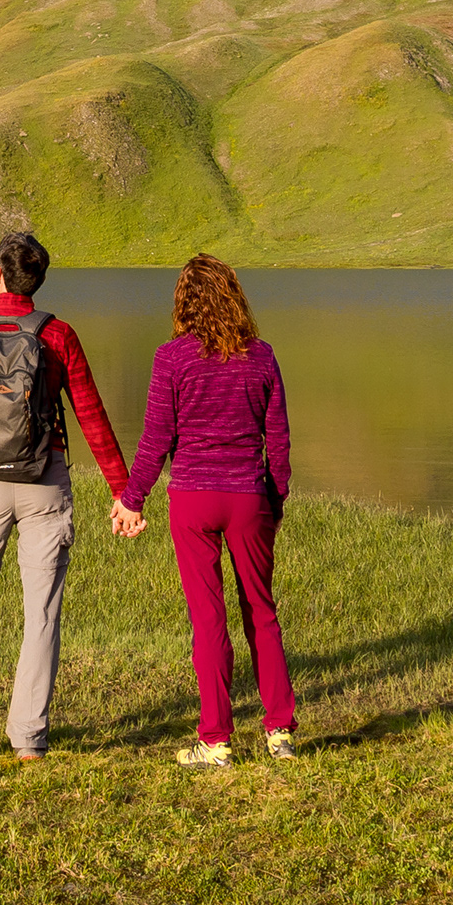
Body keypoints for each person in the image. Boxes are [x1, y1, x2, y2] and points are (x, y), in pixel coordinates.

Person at [0, 228, 129, 761]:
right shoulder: (58, 335)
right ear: (37, 281)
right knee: (41, 612)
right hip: (45, 483)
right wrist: (122, 490)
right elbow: (90, 414)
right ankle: (29, 741)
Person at [111, 252, 295, 766]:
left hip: (192, 498)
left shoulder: (171, 358)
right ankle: (280, 731)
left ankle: (215, 740)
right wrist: (274, 501)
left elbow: (156, 439)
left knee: (208, 618)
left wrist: (132, 499)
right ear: (234, 297)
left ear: (183, 304)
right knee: (261, 610)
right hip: (248, 496)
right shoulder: (262, 356)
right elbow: (276, 441)